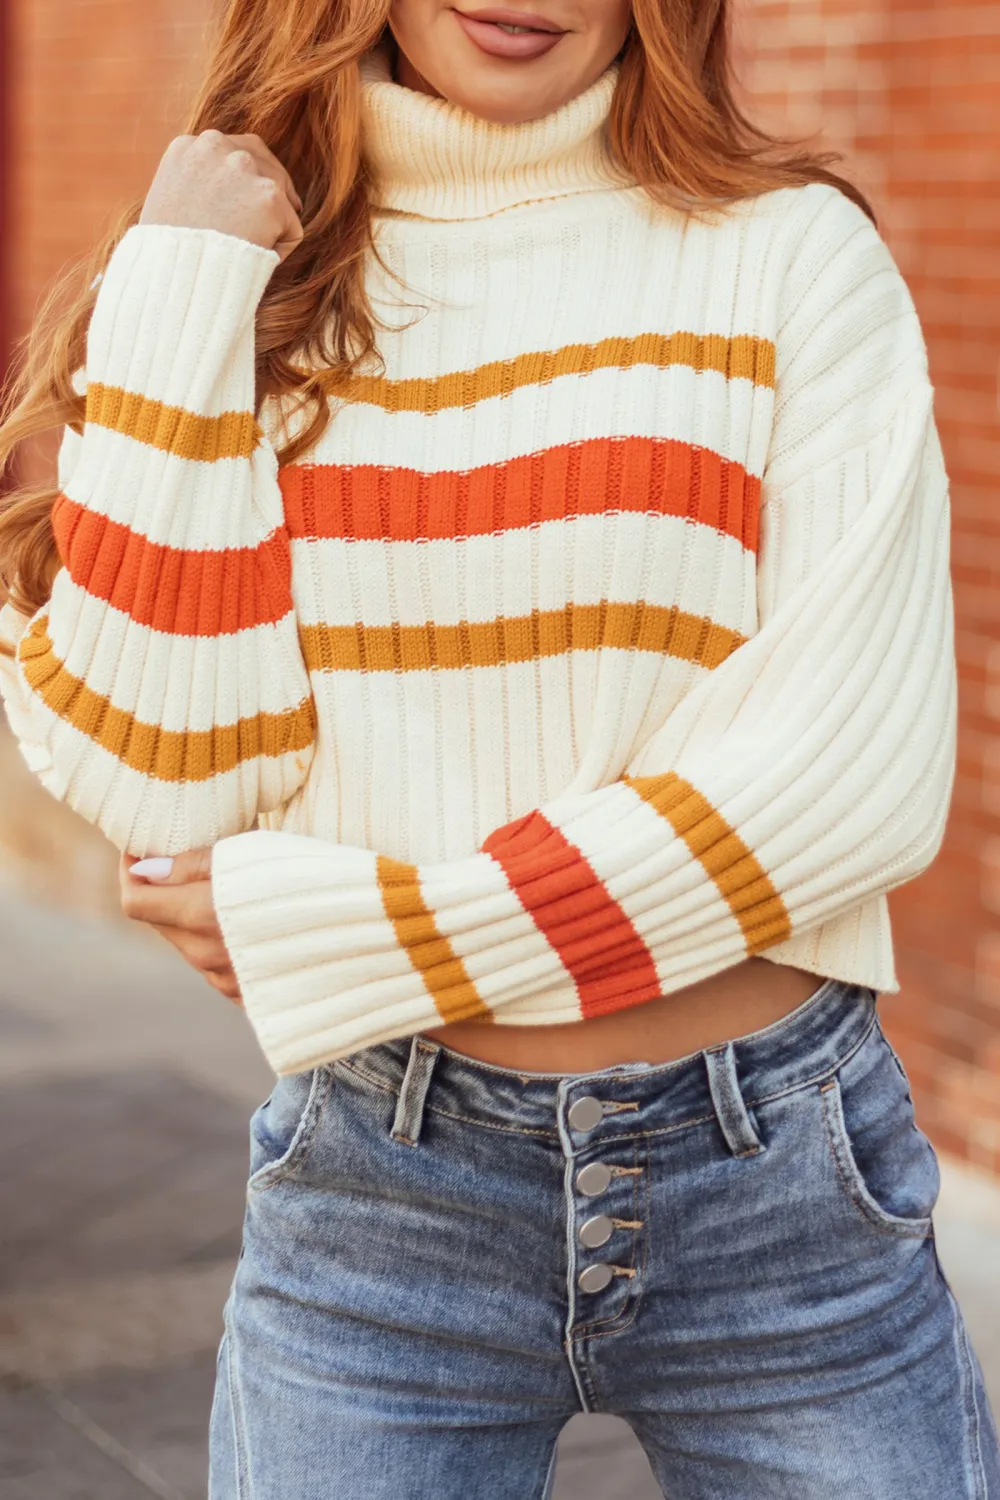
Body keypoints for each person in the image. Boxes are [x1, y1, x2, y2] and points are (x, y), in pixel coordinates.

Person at [1, 0, 997, 1493]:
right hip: (381, 1202)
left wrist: (340, 930)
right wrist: (180, 287)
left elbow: (848, 785)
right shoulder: (245, 284)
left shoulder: (793, 255)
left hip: (778, 1183)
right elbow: (169, 780)